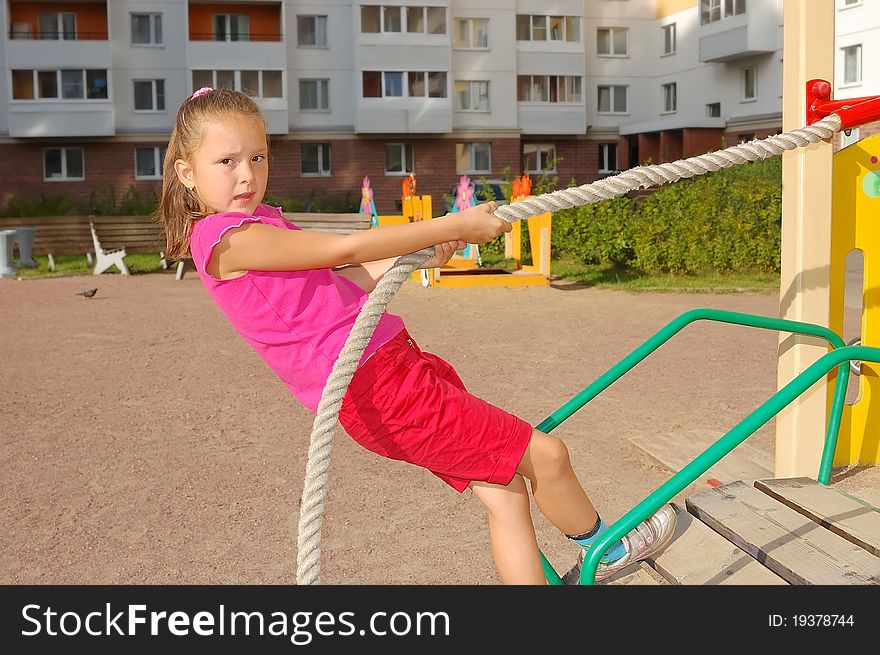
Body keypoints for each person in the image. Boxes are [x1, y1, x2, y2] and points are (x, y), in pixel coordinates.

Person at [156, 87, 677, 585]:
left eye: (258, 158)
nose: (246, 175)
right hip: (379, 387)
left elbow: (341, 286)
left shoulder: (258, 223)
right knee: (548, 455)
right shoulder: (222, 238)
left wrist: (416, 257)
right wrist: (449, 226)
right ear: (186, 172)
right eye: (226, 161)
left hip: (390, 373)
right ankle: (609, 549)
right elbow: (342, 253)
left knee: (506, 491)